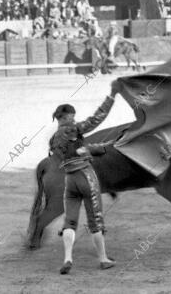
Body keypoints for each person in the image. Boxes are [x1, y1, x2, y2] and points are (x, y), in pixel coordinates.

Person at [50, 81, 120, 275]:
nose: (74, 119)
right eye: (72, 116)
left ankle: (67, 258)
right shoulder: (74, 128)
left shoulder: (54, 138)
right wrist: (112, 96)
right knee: (95, 220)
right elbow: (97, 119)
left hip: (69, 180)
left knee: (70, 221)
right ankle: (103, 259)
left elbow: (73, 152)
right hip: (85, 176)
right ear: (68, 116)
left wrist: (93, 148)